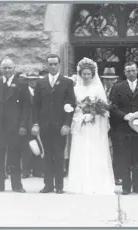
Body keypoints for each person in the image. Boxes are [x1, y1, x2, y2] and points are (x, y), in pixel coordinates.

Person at [66, 58, 115, 195]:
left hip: (94, 126)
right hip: (81, 125)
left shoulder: (98, 89)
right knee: (81, 151)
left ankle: (96, 183)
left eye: (88, 74)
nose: (86, 76)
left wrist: (93, 115)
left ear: (93, 75)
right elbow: (74, 106)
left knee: (94, 151)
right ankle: (80, 184)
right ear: (80, 74)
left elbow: (104, 110)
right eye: (84, 74)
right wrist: (80, 115)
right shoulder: (75, 89)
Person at [0, 58, 29, 193]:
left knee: (15, 154)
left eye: (10, 68)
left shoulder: (21, 84)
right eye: (5, 68)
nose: (7, 70)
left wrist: (23, 125)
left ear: (14, 69)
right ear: (1, 69)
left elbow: (26, 107)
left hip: (15, 126)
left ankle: (17, 185)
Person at [32, 54, 76, 194]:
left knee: (58, 155)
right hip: (45, 125)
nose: (52, 66)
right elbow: (36, 106)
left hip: (60, 126)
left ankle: (59, 186)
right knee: (47, 155)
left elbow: (71, 104)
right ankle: (48, 185)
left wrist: (67, 124)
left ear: (59, 65)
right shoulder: (41, 83)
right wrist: (36, 124)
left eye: (55, 64)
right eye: (50, 64)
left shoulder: (66, 82)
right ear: (47, 65)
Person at [110, 62, 138, 195]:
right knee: (124, 157)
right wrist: (125, 116)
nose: (131, 73)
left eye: (133, 70)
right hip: (123, 127)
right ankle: (126, 187)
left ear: (137, 71)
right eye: (128, 71)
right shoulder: (118, 87)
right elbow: (112, 107)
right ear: (124, 72)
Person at [21, 71, 44, 179]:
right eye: (31, 80)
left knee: (39, 146)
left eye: (35, 79)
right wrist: (22, 125)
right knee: (26, 147)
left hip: (39, 121)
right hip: (26, 122)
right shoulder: (23, 92)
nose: (33, 82)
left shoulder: (41, 91)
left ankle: (38, 170)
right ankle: (26, 170)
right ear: (27, 81)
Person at [100, 67, 121, 185]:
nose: (109, 82)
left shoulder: (117, 90)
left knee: (116, 150)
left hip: (115, 124)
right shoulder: (100, 89)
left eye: (111, 80)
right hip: (101, 124)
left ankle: (116, 176)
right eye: (106, 80)